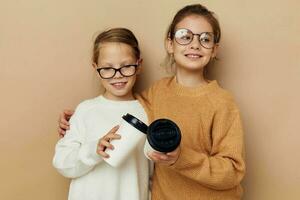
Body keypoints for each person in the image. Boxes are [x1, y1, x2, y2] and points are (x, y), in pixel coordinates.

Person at [58, 4, 246, 200]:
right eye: (185, 36)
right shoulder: (156, 93)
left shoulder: (223, 102)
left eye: (205, 38)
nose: (195, 44)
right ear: (170, 44)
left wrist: (182, 157)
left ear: (214, 49)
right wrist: (75, 120)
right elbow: (122, 106)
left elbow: (233, 171)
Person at [53, 28, 152, 200]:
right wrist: (94, 149)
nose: (118, 75)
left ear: (139, 65)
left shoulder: (147, 113)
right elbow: (62, 163)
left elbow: (152, 173)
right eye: (107, 68)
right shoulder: (85, 110)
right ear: (95, 67)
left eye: (126, 66)